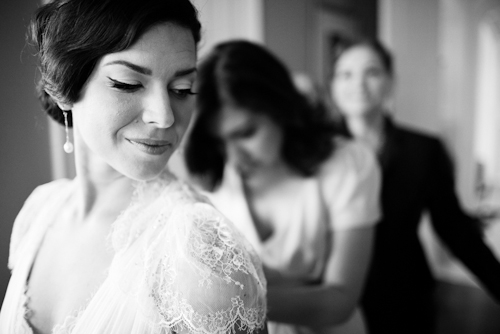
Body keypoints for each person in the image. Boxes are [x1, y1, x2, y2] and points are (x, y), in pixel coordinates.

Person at [0, 1, 267, 333]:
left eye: (182, 89)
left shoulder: (198, 254)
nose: (165, 116)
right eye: (128, 83)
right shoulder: (38, 212)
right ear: (66, 88)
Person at [183, 40, 381, 334]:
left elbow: (340, 300)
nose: (234, 158)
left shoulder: (347, 164)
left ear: (280, 108)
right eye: (219, 140)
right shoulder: (212, 179)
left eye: (246, 133)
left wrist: (231, 299)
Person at [329, 38, 500, 334]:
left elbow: (453, 227)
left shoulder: (423, 150)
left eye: (371, 72)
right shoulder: (315, 150)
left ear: (390, 83)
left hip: (405, 294)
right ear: (333, 85)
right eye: (345, 74)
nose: (358, 83)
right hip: (333, 292)